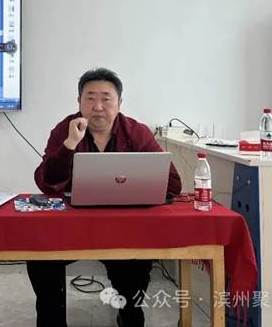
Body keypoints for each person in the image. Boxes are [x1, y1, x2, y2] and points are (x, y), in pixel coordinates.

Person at [27, 67, 182, 327]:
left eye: (106, 98)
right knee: (41, 260)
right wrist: (70, 144)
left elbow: (173, 184)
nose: (98, 106)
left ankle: (130, 315)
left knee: (135, 265)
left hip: (123, 227)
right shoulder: (65, 129)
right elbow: (47, 183)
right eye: (90, 98)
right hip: (72, 226)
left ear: (119, 103)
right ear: (79, 101)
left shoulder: (136, 132)